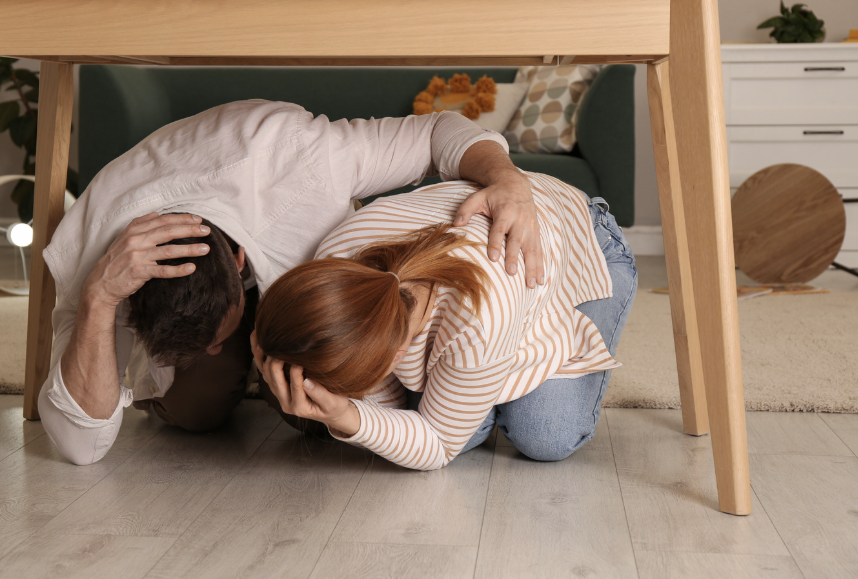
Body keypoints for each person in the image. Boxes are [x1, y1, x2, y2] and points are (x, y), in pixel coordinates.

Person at [37, 99, 546, 465]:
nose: (217, 350)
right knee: (196, 415)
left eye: (218, 339)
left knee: (313, 415)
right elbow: (81, 446)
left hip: (294, 256)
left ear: (237, 260)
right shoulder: (99, 257)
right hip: (149, 269)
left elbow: (439, 130)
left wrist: (507, 179)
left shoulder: (300, 157)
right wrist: (99, 299)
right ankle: (208, 379)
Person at [253, 174, 637, 469]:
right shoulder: (335, 258)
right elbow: (391, 414)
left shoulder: (481, 318)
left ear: (398, 350)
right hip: (494, 268)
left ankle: (493, 377)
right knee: (457, 424)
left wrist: (348, 416)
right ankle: (485, 382)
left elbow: (438, 443)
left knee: (544, 436)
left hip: (584, 241)